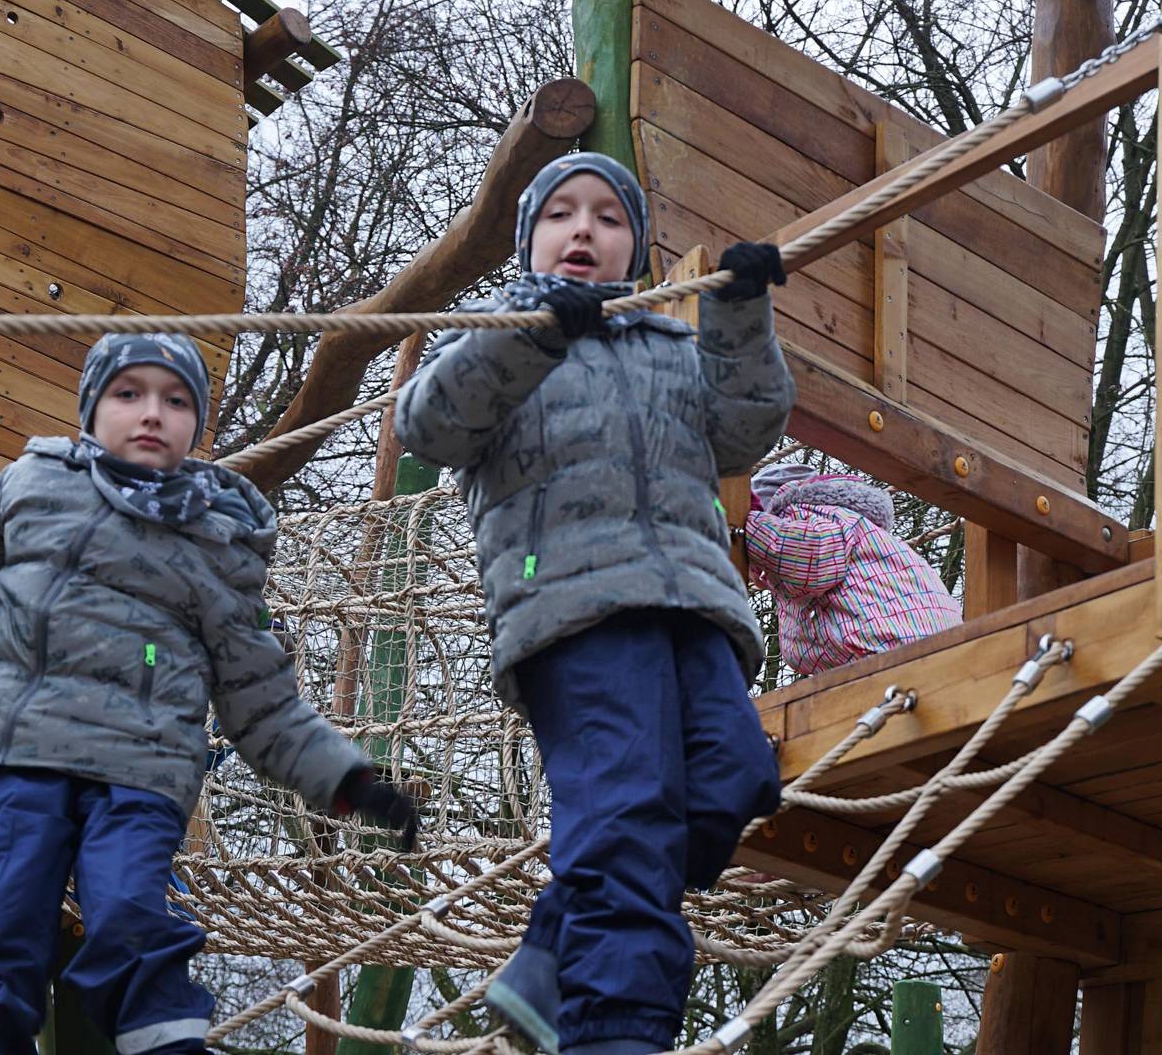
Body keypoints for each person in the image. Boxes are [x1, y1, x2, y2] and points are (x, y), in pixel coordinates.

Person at [0, 333, 421, 1055]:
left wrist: (349, 782)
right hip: (15, 750)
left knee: (130, 917)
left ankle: (165, 1045)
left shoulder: (220, 537)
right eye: (129, 394)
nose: (152, 413)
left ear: (197, 424)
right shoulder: (37, 479)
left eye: (177, 400)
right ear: (92, 409)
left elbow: (262, 702)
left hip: (138, 771)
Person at [393, 151, 793, 1055]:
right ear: (531, 239)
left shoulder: (674, 346)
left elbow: (747, 430)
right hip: (574, 612)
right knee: (626, 812)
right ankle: (614, 1029)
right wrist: (532, 332)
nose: (584, 231)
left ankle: (549, 950)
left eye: (608, 219)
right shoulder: (501, 336)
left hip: (694, 605)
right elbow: (429, 425)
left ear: (635, 250)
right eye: (562, 215)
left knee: (735, 776)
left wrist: (740, 312)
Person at [743, 463, 963, 677]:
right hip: (943, 645)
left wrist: (746, 526)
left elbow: (805, 555)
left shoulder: (811, 516)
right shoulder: (865, 535)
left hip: (896, 647)